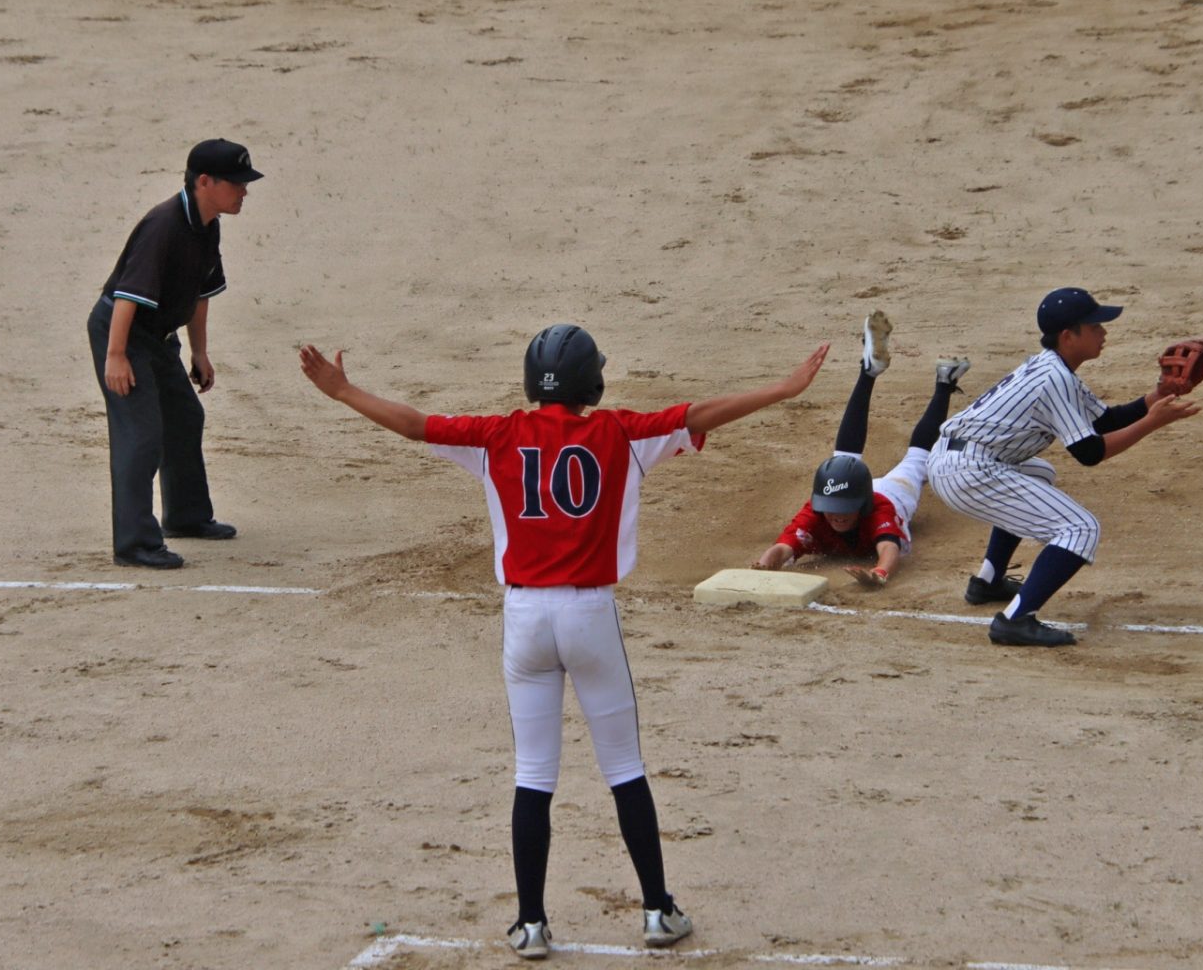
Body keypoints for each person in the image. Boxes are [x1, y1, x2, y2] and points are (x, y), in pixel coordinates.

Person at [298, 325, 828, 960]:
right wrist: (786, 386)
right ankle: (657, 911)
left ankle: (530, 925)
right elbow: (701, 413)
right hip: (589, 616)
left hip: (523, 620)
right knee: (624, 769)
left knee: (533, 774)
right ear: (592, 383)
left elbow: (413, 425)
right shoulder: (621, 434)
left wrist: (344, 389)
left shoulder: (496, 436)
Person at [926, 289, 1199, 647]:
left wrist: (1157, 394)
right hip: (968, 471)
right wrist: (1153, 423)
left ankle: (988, 582)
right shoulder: (1054, 378)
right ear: (1069, 336)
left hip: (956, 460)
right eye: (1095, 326)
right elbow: (1090, 452)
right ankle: (1014, 620)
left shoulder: (1053, 368)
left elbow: (1104, 421)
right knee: (1080, 528)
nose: (1104, 332)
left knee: (1039, 474)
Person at [87, 139, 261, 569]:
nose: (244, 192)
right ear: (205, 182)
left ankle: (186, 516)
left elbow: (200, 292)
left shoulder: (208, 222)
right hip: (123, 333)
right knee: (140, 435)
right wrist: (116, 357)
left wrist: (199, 352)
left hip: (159, 335)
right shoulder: (163, 225)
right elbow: (127, 296)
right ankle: (135, 544)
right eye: (236, 183)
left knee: (185, 417)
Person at [752, 312, 971, 590]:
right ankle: (869, 372)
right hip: (854, 487)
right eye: (831, 508)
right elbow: (783, 548)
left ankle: (944, 382)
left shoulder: (879, 509)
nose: (837, 515)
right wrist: (763, 566)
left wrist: (879, 572)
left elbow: (888, 550)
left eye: (845, 509)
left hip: (894, 491)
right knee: (842, 461)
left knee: (917, 461)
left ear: (862, 505)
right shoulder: (818, 510)